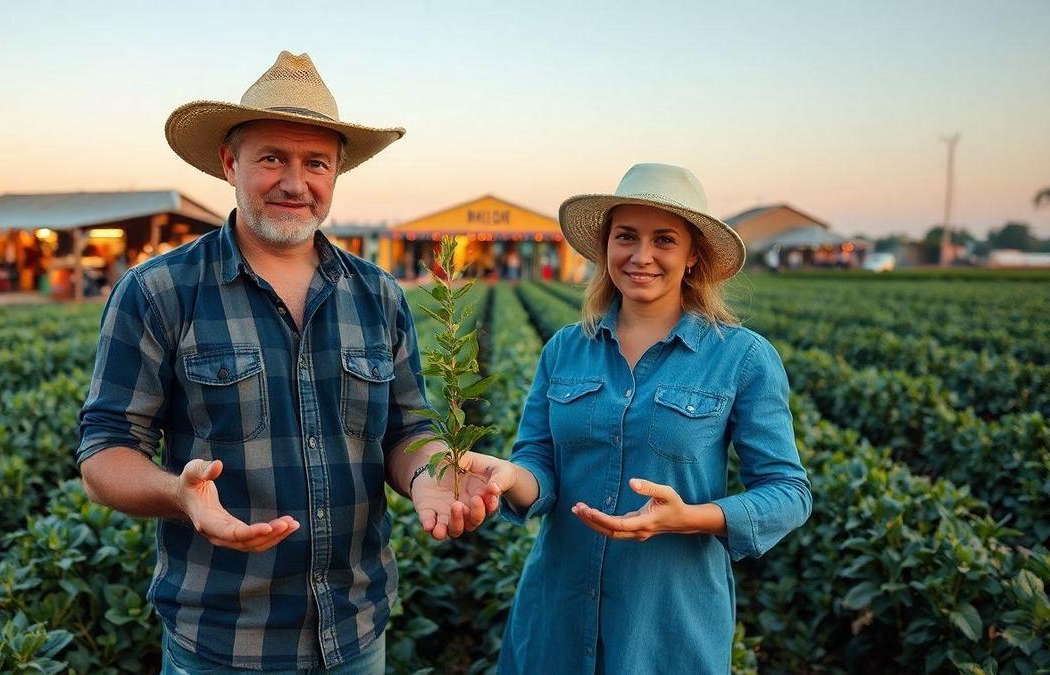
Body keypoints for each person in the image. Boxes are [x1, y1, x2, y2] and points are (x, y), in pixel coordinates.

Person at [76, 51, 501, 674]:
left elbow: (408, 429)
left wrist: (426, 474)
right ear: (231, 163)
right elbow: (104, 452)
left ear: (336, 174)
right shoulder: (158, 292)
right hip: (222, 640)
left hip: (357, 632)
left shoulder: (378, 295)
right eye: (272, 157)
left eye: (316, 163)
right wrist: (181, 495)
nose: (294, 183)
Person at [468, 163, 813, 673]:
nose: (641, 255)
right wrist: (509, 477)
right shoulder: (566, 348)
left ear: (693, 255)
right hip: (555, 614)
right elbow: (538, 463)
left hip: (666, 629)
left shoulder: (740, 357)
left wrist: (688, 518)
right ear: (606, 247)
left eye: (664, 240)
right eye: (626, 236)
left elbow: (789, 492)